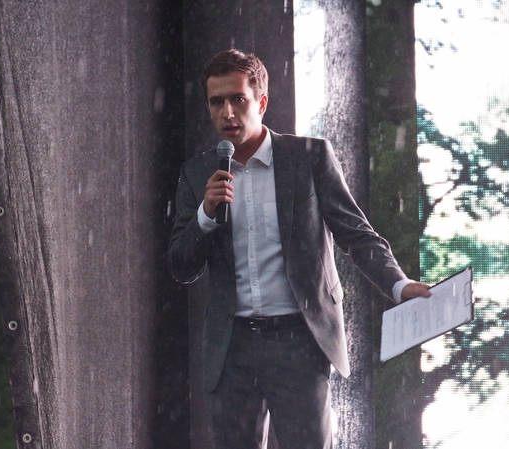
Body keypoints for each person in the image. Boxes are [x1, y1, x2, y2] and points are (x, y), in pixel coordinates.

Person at [167, 48, 431, 449]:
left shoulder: (309, 157)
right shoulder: (197, 174)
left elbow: (356, 234)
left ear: (261, 102)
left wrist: (398, 284)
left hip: (301, 341)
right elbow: (180, 266)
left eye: (238, 99)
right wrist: (205, 213)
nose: (227, 113)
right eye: (216, 102)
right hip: (232, 347)